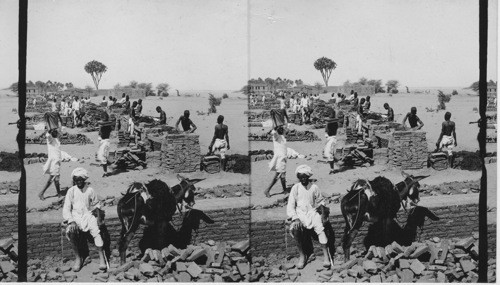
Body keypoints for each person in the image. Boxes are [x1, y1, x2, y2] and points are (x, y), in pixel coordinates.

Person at [287, 165, 331, 269]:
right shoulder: (296, 188)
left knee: (321, 229)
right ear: (299, 178)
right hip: (300, 214)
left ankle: (326, 257)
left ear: (308, 177)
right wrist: (295, 218)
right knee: (296, 229)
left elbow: (320, 200)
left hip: (312, 212)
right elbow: (291, 204)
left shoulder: (314, 187)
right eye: (301, 177)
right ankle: (302, 256)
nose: (303, 179)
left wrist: (323, 212)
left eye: (305, 177)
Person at [63, 168, 106, 272]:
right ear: (74, 181)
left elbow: (96, 205)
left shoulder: (90, 190)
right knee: (71, 231)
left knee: (97, 232)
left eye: (80, 180)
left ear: (84, 180)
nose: (79, 182)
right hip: (75, 216)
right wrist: (71, 220)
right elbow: (67, 207)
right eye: (77, 180)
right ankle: (78, 259)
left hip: (88, 215)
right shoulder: (71, 191)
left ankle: (102, 259)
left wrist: (99, 218)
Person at [264, 125, 288, 198]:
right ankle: (267, 190)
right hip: (279, 160)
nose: (285, 130)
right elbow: (274, 133)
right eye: (284, 129)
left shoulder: (283, 138)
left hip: (283, 159)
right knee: (279, 175)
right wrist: (275, 128)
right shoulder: (276, 137)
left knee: (281, 175)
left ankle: (284, 189)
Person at [38, 129, 62, 200]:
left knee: (55, 179)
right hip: (54, 163)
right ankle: (42, 193)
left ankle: (59, 193)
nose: (57, 133)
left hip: (57, 162)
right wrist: (49, 130)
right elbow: (48, 135)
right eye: (55, 132)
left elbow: (60, 132)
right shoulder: (50, 140)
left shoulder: (57, 140)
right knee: (54, 179)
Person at [324, 108, 339, 174]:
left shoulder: (332, 123)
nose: (330, 115)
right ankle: (333, 164)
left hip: (332, 138)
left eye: (331, 114)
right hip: (331, 137)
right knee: (329, 152)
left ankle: (332, 169)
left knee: (329, 153)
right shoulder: (333, 122)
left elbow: (327, 130)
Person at [97, 113, 112, 177]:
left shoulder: (105, 126)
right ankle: (105, 168)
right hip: (104, 141)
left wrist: (100, 128)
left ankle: (105, 172)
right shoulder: (107, 126)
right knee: (102, 156)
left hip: (105, 141)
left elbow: (100, 133)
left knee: (103, 157)